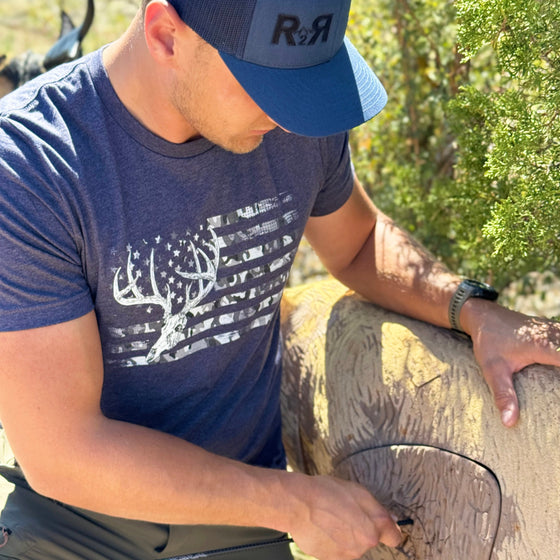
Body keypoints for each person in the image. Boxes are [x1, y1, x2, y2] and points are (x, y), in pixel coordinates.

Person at [0, 1, 559, 559]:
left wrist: (471, 309)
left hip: (240, 522)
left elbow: (359, 243)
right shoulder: (29, 168)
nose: (292, 117)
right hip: (77, 526)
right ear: (166, 34)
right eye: (266, 87)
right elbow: (65, 451)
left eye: (307, 84)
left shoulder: (295, 121)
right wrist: (295, 504)